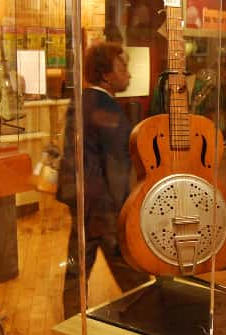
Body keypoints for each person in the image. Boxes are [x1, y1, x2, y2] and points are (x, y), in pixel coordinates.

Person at [61, 43, 147, 318]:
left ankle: (73, 317)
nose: (129, 74)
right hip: (105, 204)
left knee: (80, 262)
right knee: (127, 263)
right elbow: (116, 166)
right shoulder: (105, 108)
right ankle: (147, 309)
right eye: (122, 68)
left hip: (84, 198)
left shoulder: (84, 101)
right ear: (106, 75)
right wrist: (127, 206)